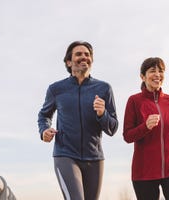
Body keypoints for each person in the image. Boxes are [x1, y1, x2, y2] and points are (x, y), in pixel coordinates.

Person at [37, 41, 118, 200]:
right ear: (69, 61)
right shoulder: (56, 89)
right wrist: (44, 130)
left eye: (87, 55)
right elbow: (44, 115)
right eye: (78, 54)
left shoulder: (104, 88)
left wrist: (102, 114)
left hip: (94, 158)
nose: (84, 57)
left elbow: (113, 128)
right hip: (65, 154)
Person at [123, 57, 169, 200]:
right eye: (153, 71)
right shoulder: (134, 101)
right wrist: (145, 126)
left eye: (161, 71)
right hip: (144, 172)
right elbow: (127, 136)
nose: (158, 75)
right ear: (142, 76)